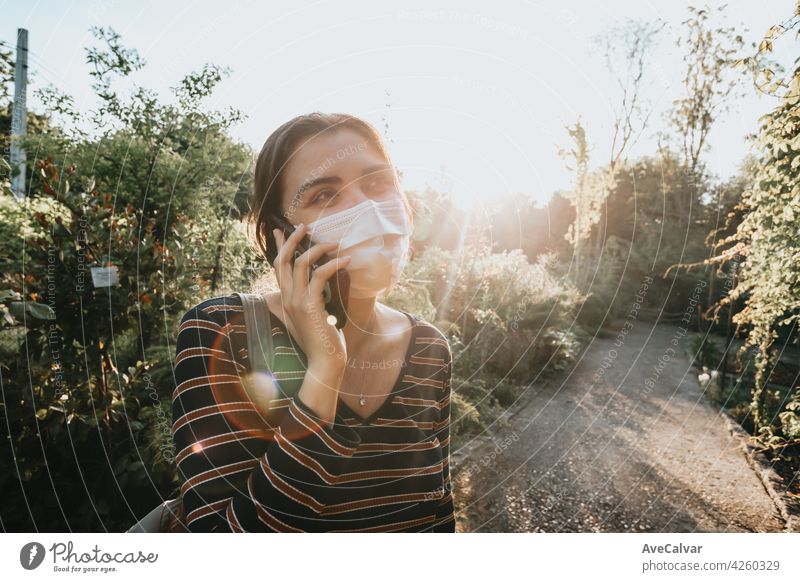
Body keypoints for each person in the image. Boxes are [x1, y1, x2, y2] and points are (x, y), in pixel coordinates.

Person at [167, 112, 455, 532]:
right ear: (280, 234)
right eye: (324, 195)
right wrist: (324, 373)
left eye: (377, 183)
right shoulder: (221, 332)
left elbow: (437, 514)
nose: (366, 207)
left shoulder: (429, 347)